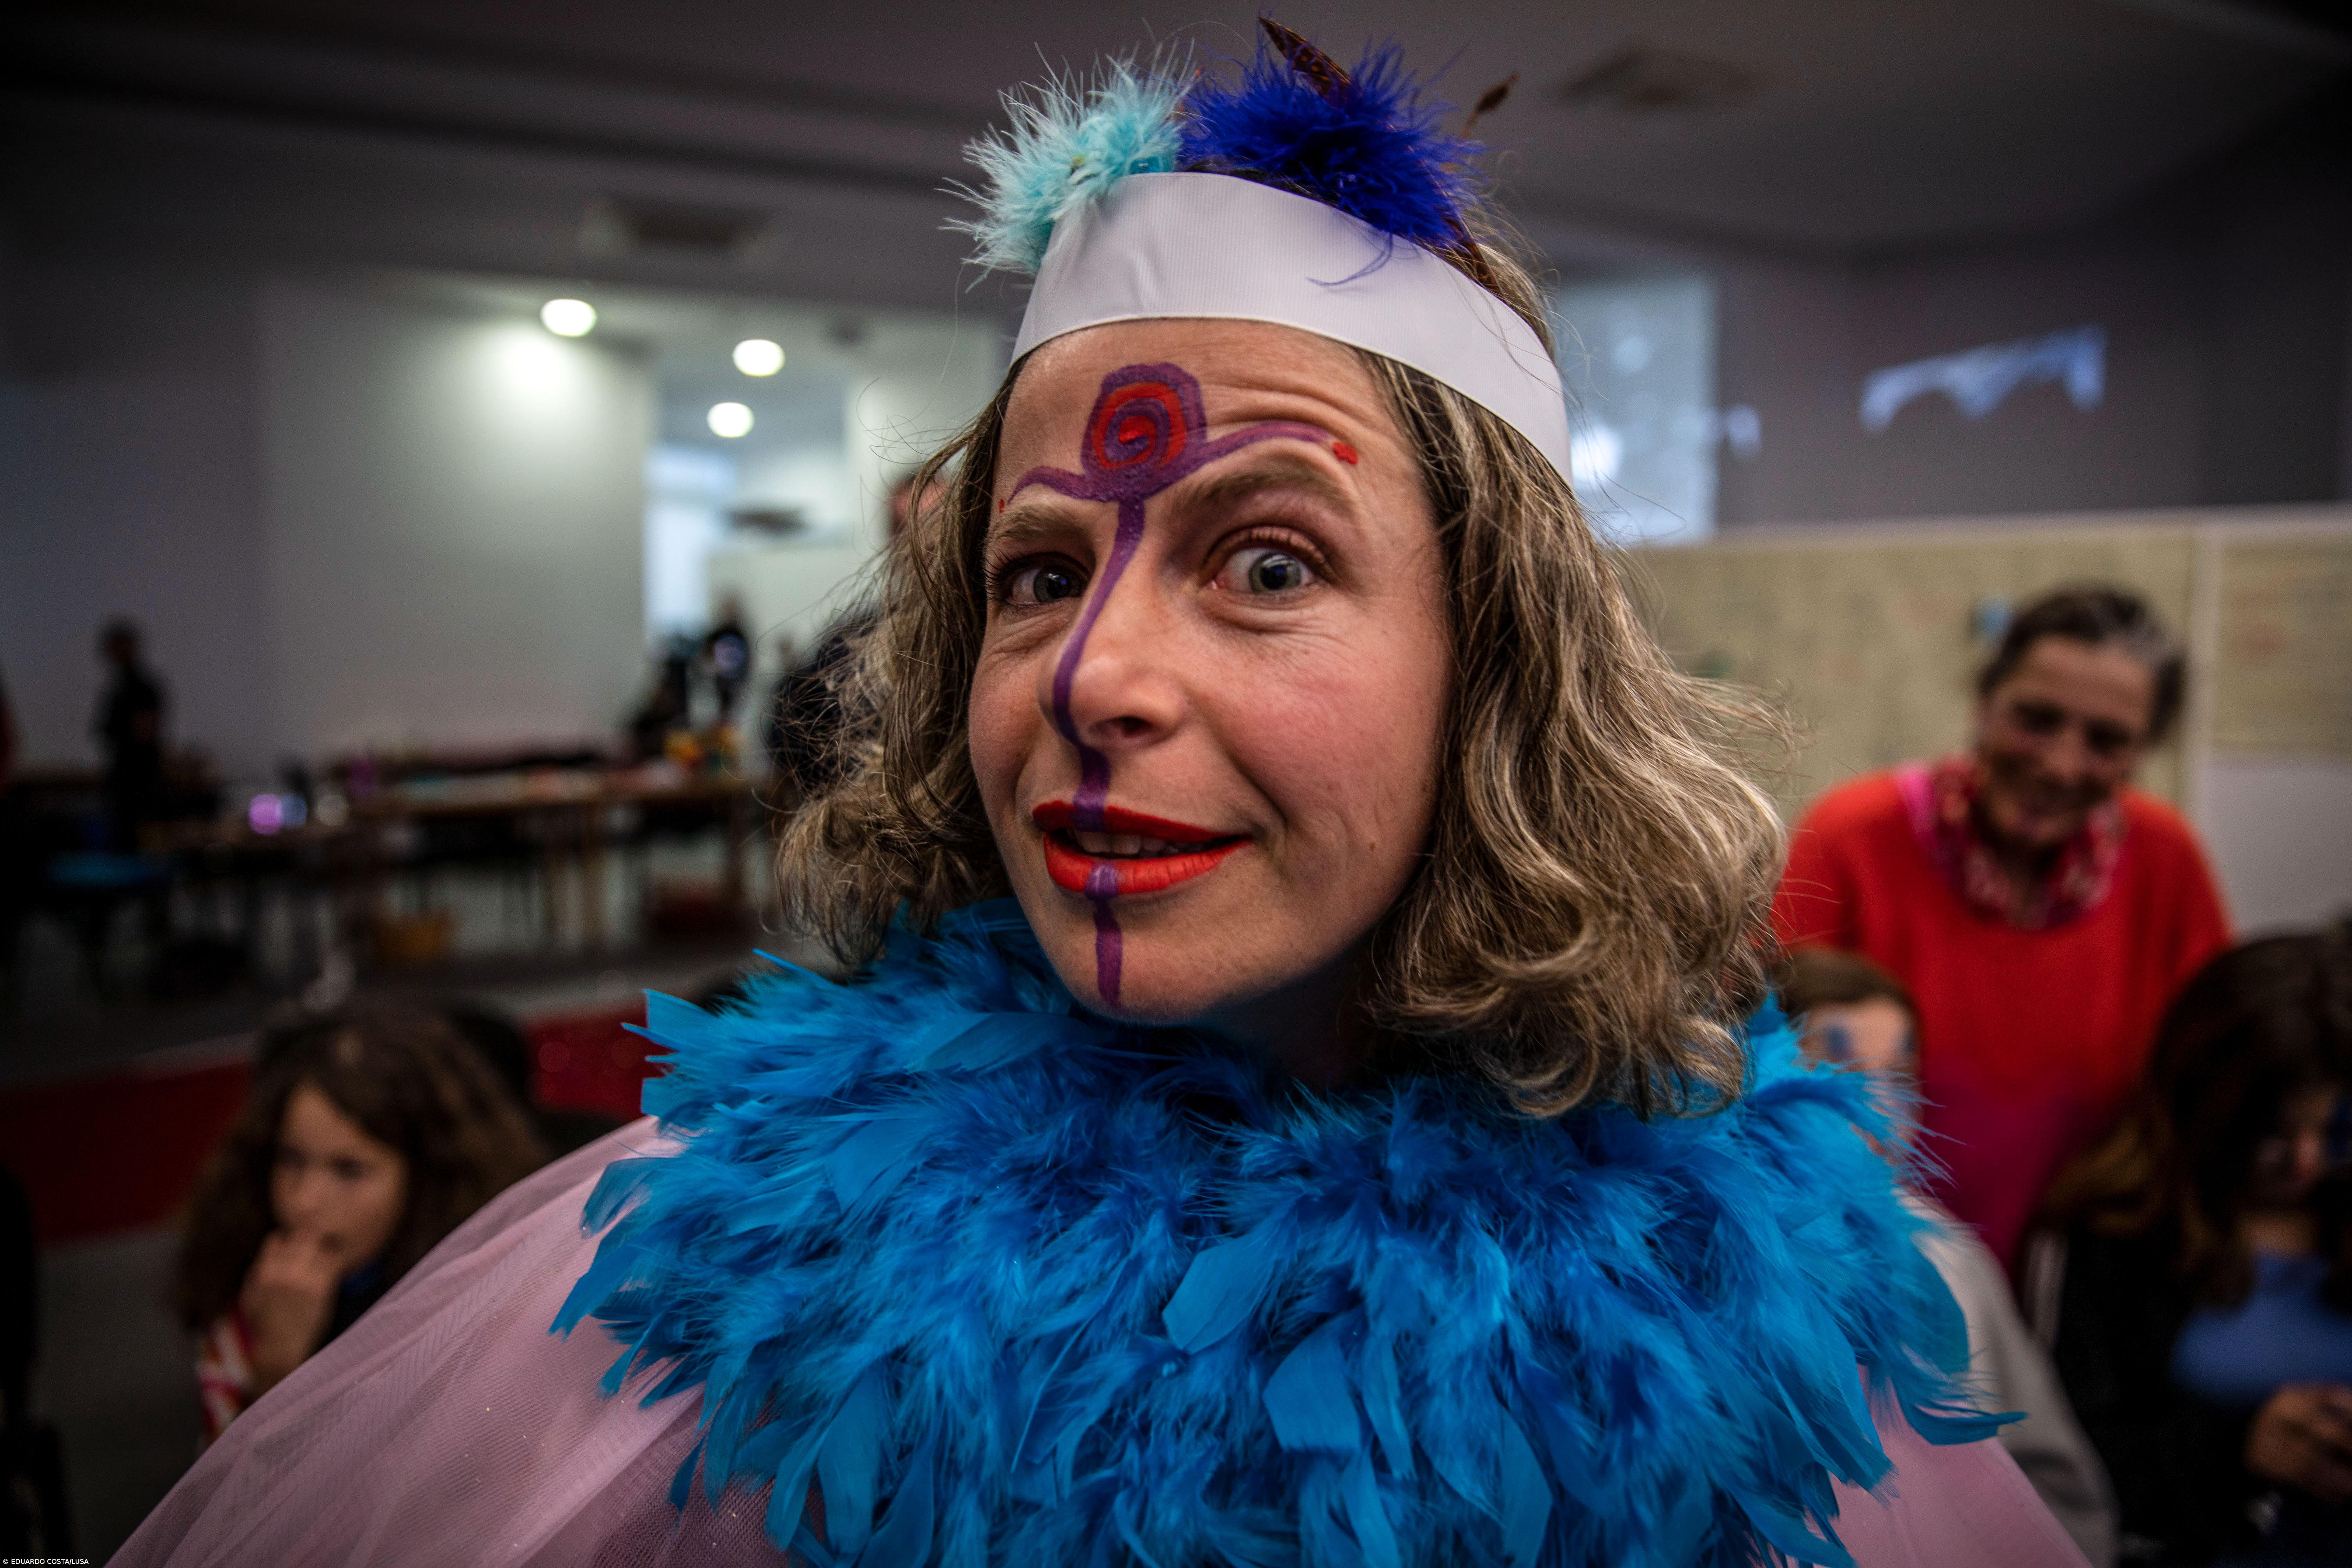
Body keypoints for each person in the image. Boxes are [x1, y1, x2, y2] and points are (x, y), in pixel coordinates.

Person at [121, 33, 2083, 1567]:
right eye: (1040, 572)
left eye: (1269, 562)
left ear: (1500, 664)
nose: (1088, 674)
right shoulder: (731, 1289)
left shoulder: (1743, 1322)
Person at [1776, 585, 2231, 1269]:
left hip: (2088, 1275)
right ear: (1984, 701)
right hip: (1866, 1266)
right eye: (2037, 719)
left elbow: (2212, 1081)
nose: (2062, 763)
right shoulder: (1852, 838)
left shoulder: (2166, 860)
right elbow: (1756, 1067)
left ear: (2145, 749)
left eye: (2107, 740)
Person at [1782, 947, 2118, 1564]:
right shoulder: (1715, 1264)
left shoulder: (1952, 1259)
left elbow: (2051, 1472)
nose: (1879, 1107)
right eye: (1842, 1073)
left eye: (1898, 1077)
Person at [2031, 930, 2352, 1565]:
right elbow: (2065, 1466)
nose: (2306, 1161)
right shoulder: (2114, 1234)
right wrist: (2239, 1447)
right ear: (2205, 1103)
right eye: (2273, 1132)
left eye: (2337, 1131)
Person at [171, 1006, 545, 1440]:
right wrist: (275, 1367)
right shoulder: (247, 1291)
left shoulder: (489, 1302)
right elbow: (229, 1480)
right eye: (291, 1159)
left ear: (425, 1180)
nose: (304, 1202)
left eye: (349, 1170)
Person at [93, 618, 167, 851]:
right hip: (130, 777)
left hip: (138, 779)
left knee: (138, 841)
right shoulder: (122, 688)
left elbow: (144, 732)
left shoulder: (138, 689)